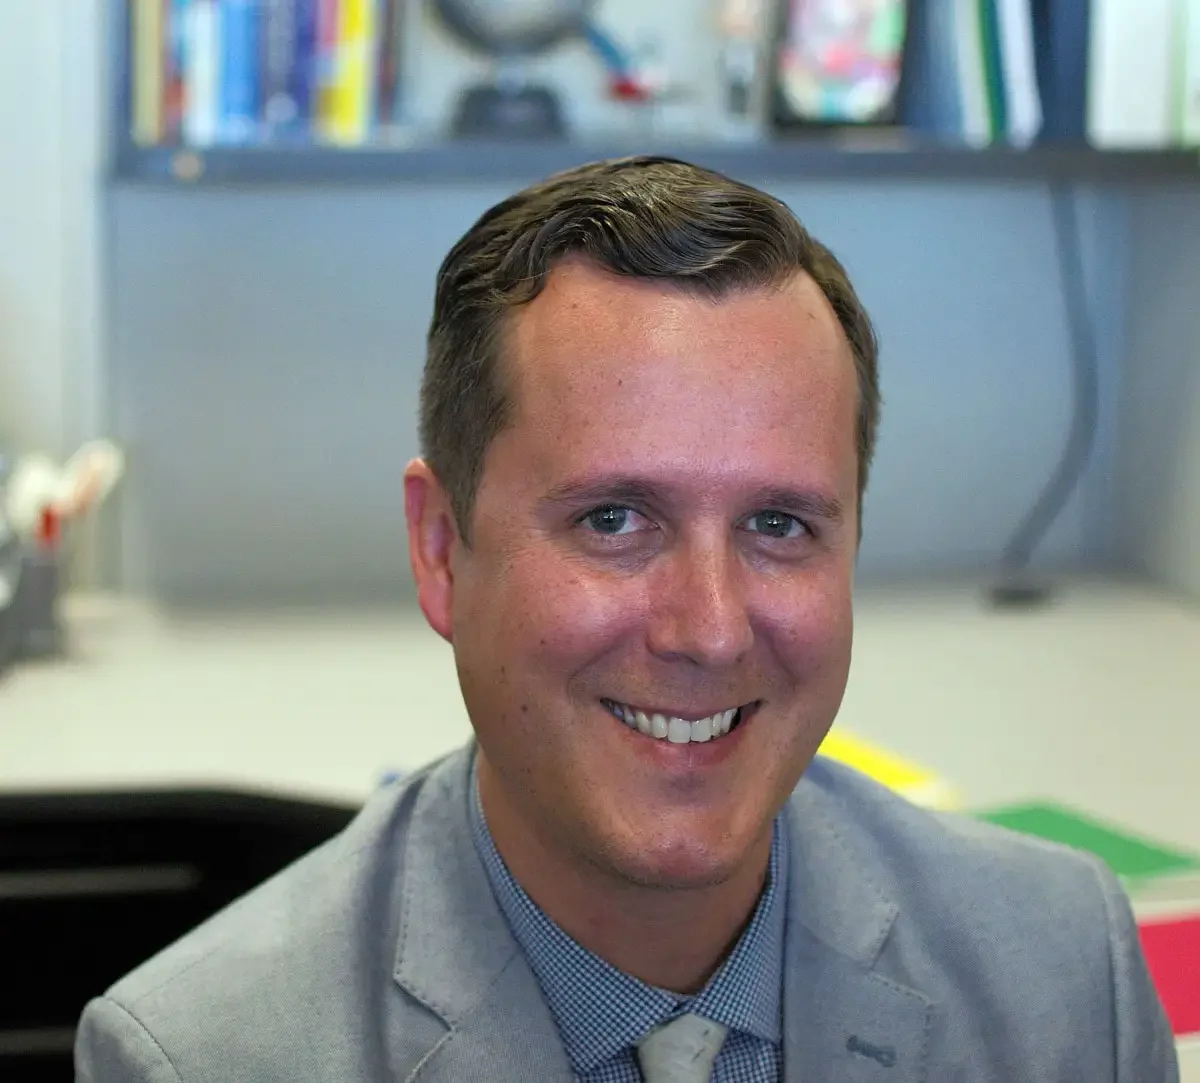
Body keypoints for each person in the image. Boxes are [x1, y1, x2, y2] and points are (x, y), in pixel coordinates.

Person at [76, 156, 1178, 1083]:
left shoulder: (1066, 976)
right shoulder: (201, 1056)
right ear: (439, 549)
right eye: (614, 518)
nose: (709, 629)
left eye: (781, 525)